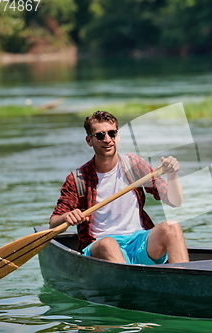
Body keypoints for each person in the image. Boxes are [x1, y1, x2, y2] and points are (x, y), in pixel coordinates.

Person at [49, 111, 189, 265]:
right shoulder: (78, 179)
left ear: (118, 135)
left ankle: (185, 281)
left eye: (112, 133)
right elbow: (54, 223)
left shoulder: (134, 165)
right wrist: (67, 217)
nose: (107, 140)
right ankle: (130, 283)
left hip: (139, 241)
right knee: (108, 244)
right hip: (100, 245)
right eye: (100, 135)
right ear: (89, 141)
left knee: (172, 227)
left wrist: (172, 175)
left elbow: (175, 201)